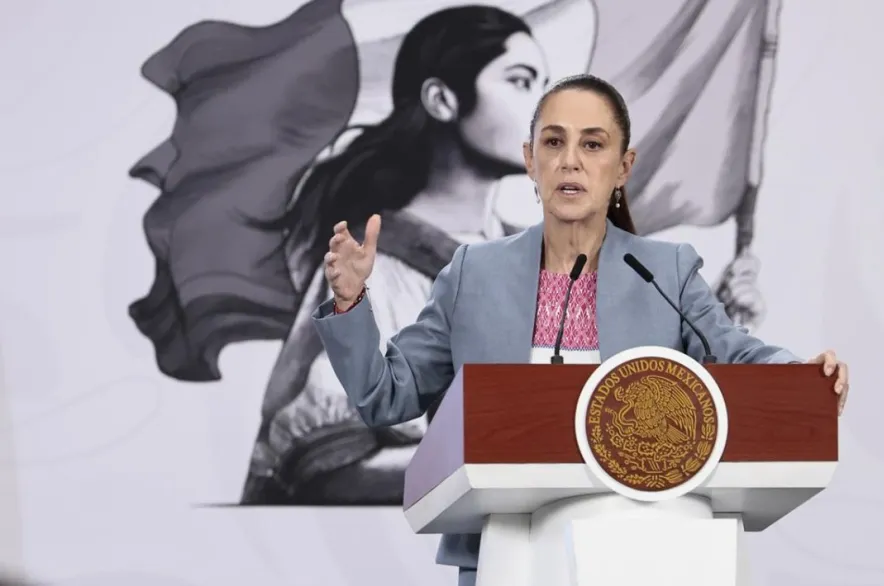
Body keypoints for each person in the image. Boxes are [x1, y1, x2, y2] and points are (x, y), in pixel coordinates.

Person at [314, 74, 850, 585]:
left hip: (652, 554)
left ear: (623, 166)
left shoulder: (667, 272)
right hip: (505, 551)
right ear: (530, 160)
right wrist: (350, 302)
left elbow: (733, 353)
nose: (570, 160)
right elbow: (385, 396)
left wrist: (798, 378)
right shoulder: (471, 274)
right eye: (553, 142)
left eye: (593, 145)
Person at [240, 5, 551, 504]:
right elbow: (326, 468)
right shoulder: (377, 263)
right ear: (442, 99)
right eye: (521, 82)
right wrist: (507, 463)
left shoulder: (536, 255)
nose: (548, 108)